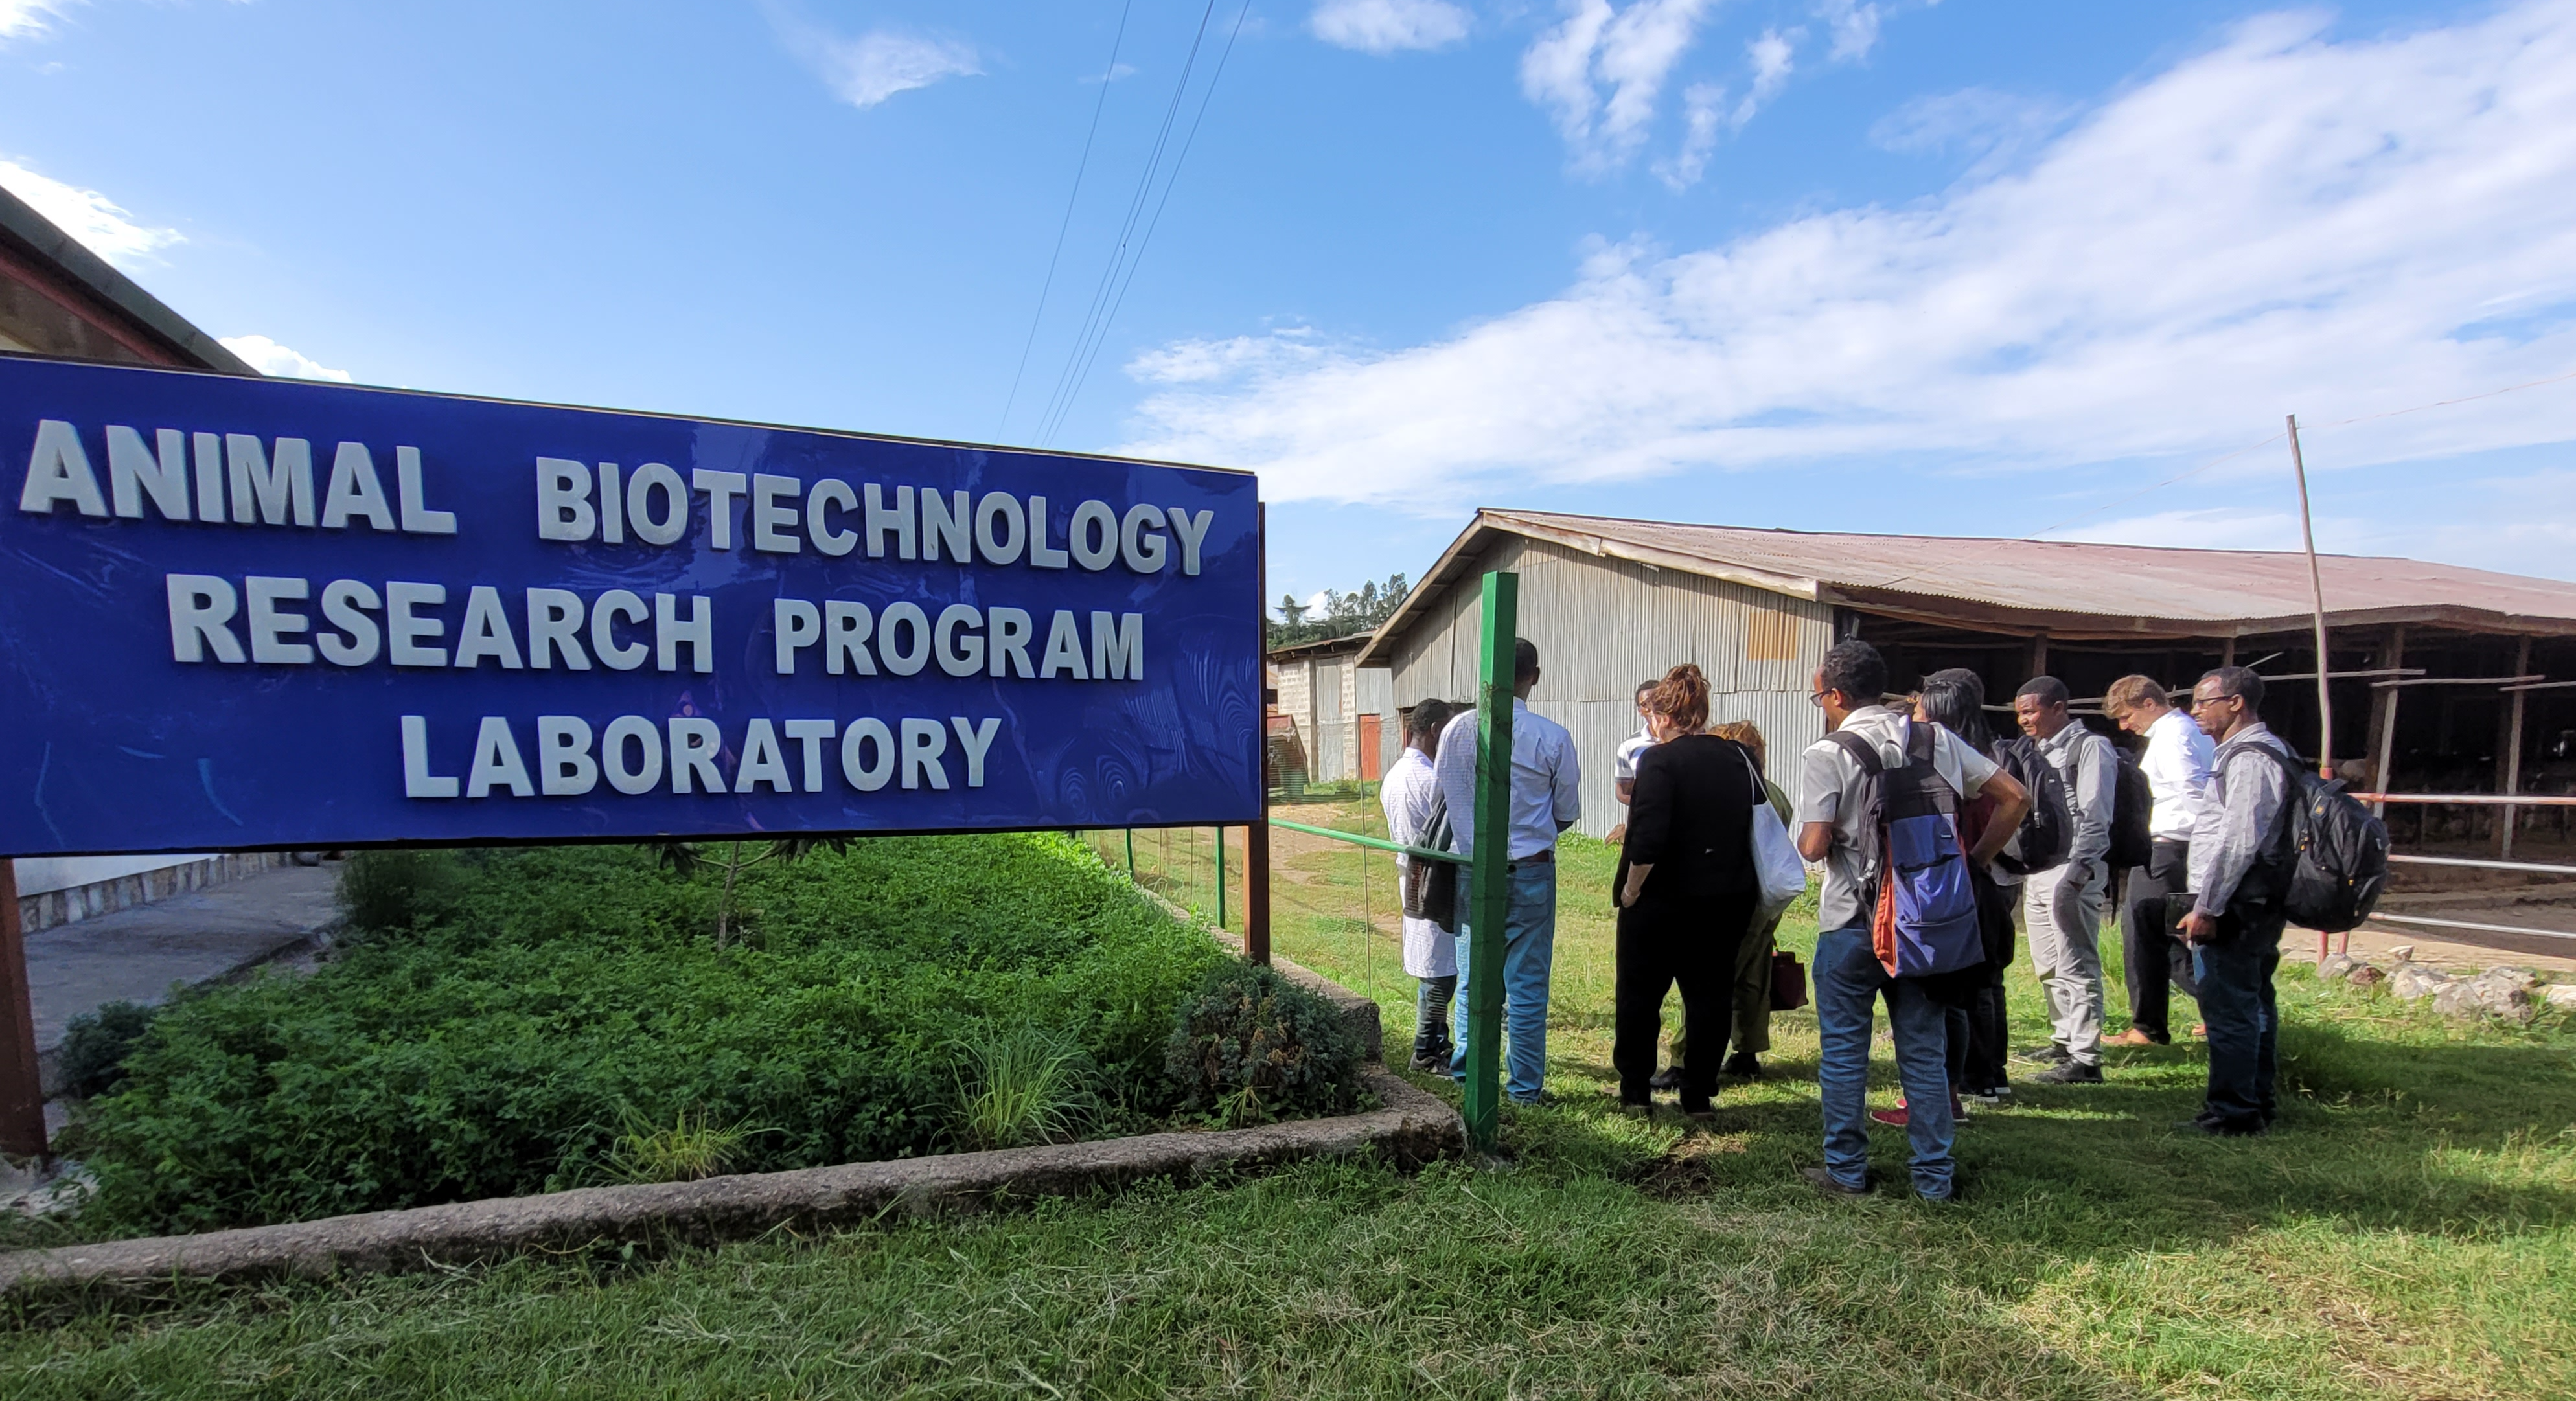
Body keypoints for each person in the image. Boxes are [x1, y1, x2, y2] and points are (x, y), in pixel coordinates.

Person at [1797, 641, 2026, 1201]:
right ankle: (1933, 1177)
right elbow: (2013, 797)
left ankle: (1846, 1171)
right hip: (1926, 922)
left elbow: (1813, 844)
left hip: (1853, 919)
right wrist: (1973, 860)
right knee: (1923, 1050)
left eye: (1818, 693)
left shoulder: (1827, 751)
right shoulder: (1935, 738)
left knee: (1846, 1050)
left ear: (1836, 694)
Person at [1433, 639, 1581, 1105]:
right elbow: (1566, 811)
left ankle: (1467, 1072)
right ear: (1533, 676)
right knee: (1527, 984)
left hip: (1471, 866)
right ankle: (1523, 1088)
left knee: (1475, 971)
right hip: (1531, 869)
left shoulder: (1457, 729)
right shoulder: (1552, 736)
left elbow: (1447, 794)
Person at [1612, 665, 1760, 1119]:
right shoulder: (1740, 756)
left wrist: (1632, 892)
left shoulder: (1658, 760)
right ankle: (1698, 1095)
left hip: (1662, 902)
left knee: (1640, 995)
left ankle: (1637, 1090)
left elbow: (1647, 840)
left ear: (1662, 716)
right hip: (1725, 898)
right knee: (1710, 998)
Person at [2179, 666, 2293, 1135]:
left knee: (2230, 1009)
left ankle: (2234, 1111)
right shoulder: (2250, 753)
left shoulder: (2251, 757)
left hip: (2240, 903)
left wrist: (2208, 906)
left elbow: (2239, 840)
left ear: (2236, 702)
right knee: (2254, 1004)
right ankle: (2254, 1100)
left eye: (2205, 702)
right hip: (2252, 898)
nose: (2195, 711)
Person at [1903, 670, 2018, 1108]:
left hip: (1962, 880)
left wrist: (1975, 860)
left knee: (1963, 988)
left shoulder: (1954, 756)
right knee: (1984, 984)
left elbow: (2015, 800)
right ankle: (1989, 1075)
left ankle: (1972, 1078)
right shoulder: (1983, 751)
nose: (1912, 716)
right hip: (1979, 880)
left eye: (1918, 709)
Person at [2012, 675, 2119, 1085]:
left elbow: (2095, 814)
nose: (2024, 719)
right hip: (2039, 869)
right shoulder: (2033, 749)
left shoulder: (2090, 748)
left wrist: (2079, 870)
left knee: (2077, 960)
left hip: (2073, 868)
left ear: (2059, 708)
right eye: (2020, 712)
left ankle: (2086, 1057)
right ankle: (2063, 1039)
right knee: (2048, 963)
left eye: (2031, 711)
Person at [2102, 674, 2214, 1048]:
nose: (2125, 726)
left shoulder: (2172, 737)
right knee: (2176, 933)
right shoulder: (2190, 731)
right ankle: (2216, 1009)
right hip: (2181, 846)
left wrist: (2207, 837)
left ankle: (2148, 1027)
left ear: (2150, 704)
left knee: (2146, 935)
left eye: (2127, 715)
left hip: (2168, 845)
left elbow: (2191, 788)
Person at [1707, 719, 1790, 1080]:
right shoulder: (1776, 792)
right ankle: (1748, 1051)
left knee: (1714, 977)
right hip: (1772, 895)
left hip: (1738, 895)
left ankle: (1686, 1057)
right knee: (1755, 974)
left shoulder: (1734, 791)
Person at [1382, 699, 1458, 1072]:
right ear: (1435, 732)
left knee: (1434, 961)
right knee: (1439, 969)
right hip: (1433, 874)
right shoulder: (1430, 779)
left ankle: (1438, 1042)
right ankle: (1426, 1049)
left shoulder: (1395, 774)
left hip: (1411, 872)